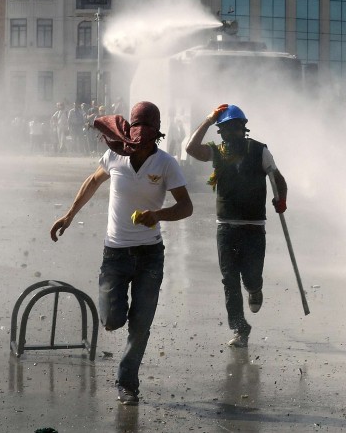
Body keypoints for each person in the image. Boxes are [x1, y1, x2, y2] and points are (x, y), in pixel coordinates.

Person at [49, 101, 192, 407]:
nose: (138, 148)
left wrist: (159, 216)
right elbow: (92, 182)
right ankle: (120, 315)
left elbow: (186, 206)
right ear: (129, 134)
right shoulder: (115, 154)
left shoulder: (167, 164)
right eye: (135, 140)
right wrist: (69, 215)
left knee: (141, 324)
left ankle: (127, 383)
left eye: (145, 142)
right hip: (114, 253)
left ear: (155, 137)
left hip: (150, 255)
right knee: (113, 319)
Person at [185, 104, 287, 348]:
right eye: (225, 129)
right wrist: (209, 120)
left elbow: (277, 178)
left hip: (253, 227)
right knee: (229, 280)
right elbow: (190, 148)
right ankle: (240, 329)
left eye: (234, 128)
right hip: (226, 227)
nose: (230, 133)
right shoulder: (217, 151)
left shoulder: (259, 150)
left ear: (244, 128)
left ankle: (255, 288)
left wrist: (281, 199)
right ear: (220, 132)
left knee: (250, 277)